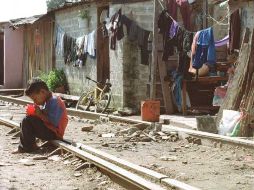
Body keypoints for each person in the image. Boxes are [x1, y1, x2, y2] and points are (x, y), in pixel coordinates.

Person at [13, 78, 68, 153]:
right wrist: (36, 114)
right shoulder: (48, 100)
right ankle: (28, 146)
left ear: (42, 92)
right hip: (50, 131)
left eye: (35, 99)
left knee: (27, 120)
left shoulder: (55, 101)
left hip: (54, 133)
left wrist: (40, 114)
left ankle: (28, 147)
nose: (34, 102)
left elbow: (54, 122)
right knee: (25, 121)